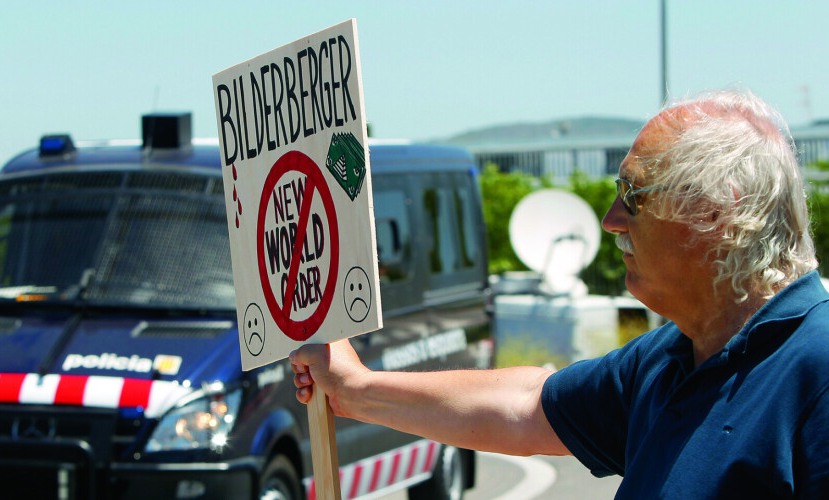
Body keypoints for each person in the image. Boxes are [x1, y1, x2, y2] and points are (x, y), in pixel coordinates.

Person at [291, 88, 829, 498]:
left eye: (632, 195)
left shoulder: (817, 368)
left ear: (716, 210)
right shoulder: (669, 359)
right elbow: (527, 408)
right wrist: (355, 389)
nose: (612, 220)